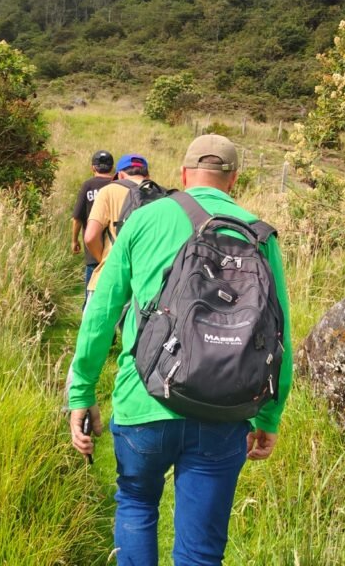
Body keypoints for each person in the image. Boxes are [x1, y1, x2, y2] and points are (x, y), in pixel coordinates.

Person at [68, 135, 293, 566]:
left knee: (136, 503)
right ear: (233, 179)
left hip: (144, 400)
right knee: (200, 552)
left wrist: (81, 391)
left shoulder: (144, 220)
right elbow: (279, 330)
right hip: (224, 410)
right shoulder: (259, 234)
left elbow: (101, 313)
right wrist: (269, 415)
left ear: (185, 174)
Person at [83, 153, 152, 300]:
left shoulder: (109, 191)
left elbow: (90, 237)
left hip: (110, 279)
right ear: (148, 176)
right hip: (147, 281)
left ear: (120, 175)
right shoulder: (160, 195)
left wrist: (104, 259)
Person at [71, 150, 114, 293]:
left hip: (93, 251)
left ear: (93, 167)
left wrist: (74, 240)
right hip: (114, 251)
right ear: (112, 167)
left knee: (91, 294)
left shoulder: (88, 186)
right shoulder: (117, 185)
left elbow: (77, 218)